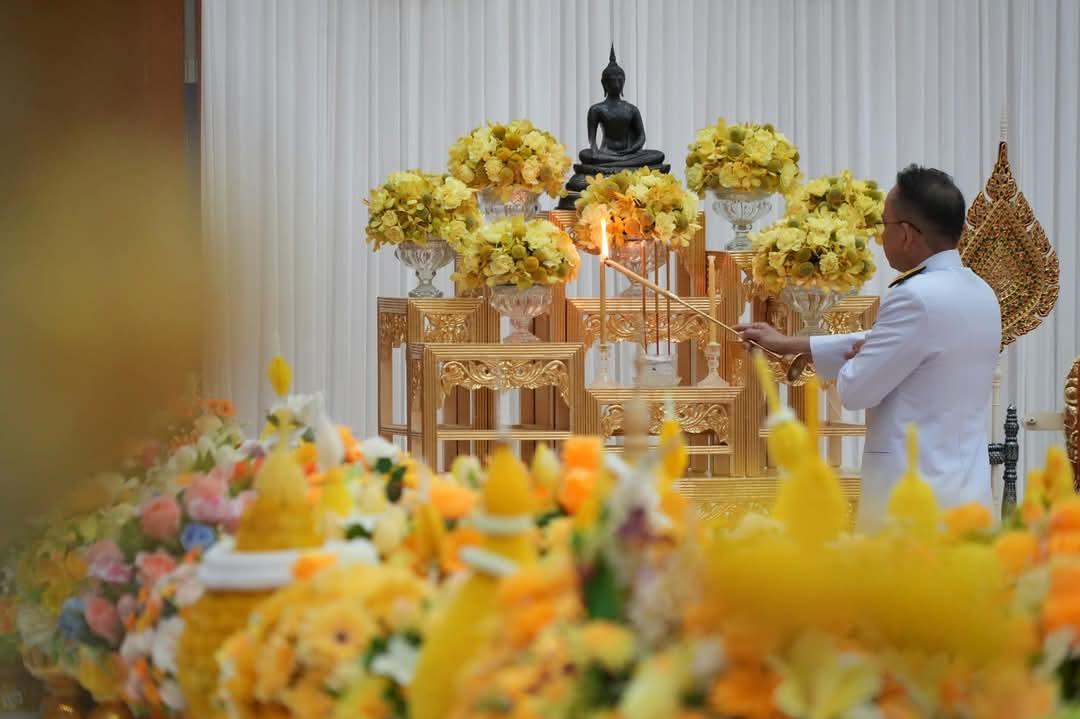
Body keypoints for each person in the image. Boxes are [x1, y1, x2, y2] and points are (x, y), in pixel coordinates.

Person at [736, 165, 1001, 529]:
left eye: (884, 225)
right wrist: (790, 344)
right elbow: (892, 344)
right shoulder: (982, 292)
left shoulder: (915, 296)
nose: (881, 235)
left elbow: (855, 390)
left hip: (912, 503)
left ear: (905, 234)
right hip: (968, 494)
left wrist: (862, 361)